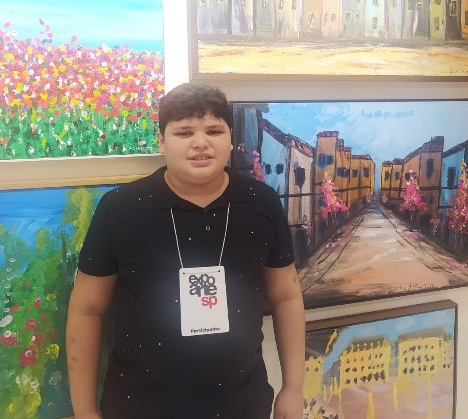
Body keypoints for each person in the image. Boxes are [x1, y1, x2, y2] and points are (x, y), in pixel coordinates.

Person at [66, 82, 305, 419]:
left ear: (231, 138)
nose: (200, 143)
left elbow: (287, 297)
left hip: (242, 404)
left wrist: (293, 388)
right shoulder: (120, 208)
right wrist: (85, 411)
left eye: (214, 131)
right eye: (184, 132)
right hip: (138, 406)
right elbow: (86, 310)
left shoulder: (262, 203)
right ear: (161, 140)